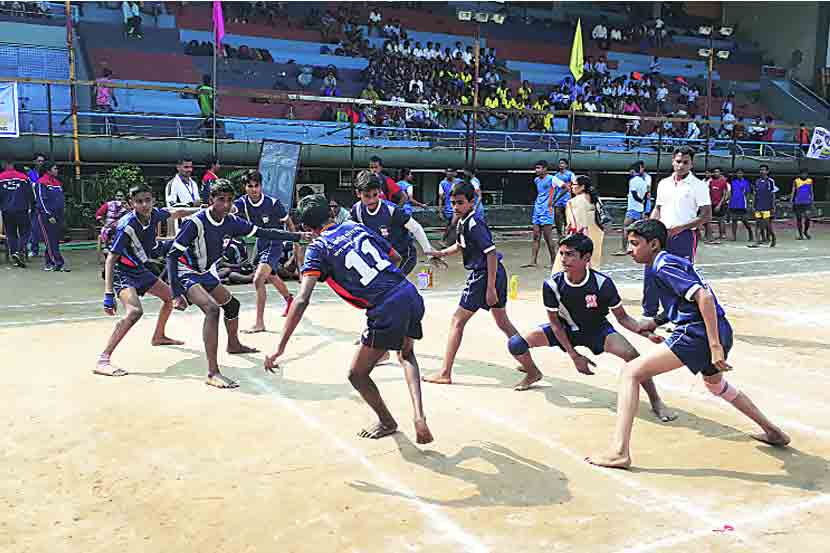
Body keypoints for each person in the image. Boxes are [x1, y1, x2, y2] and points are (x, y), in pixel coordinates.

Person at [586, 219, 790, 469]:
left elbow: (703, 298)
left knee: (631, 372)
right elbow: (686, 299)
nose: (630, 249)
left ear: (653, 244)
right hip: (717, 329)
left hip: (698, 334)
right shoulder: (665, 263)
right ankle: (773, 432)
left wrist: (714, 346)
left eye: (634, 244)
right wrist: (658, 320)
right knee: (715, 385)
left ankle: (619, 451)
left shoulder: (662, 265)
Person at [264, 194, 434, 444]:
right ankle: (419, 416)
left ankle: (387, 421)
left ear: (306, 228)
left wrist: (280, 348)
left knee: (357, 374)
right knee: (407, 354)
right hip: (408, 292)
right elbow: (396, 258)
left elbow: (301, 299)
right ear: (332, 215)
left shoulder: (318, 248)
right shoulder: (353, 225)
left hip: (384, 307)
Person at [508, 233, 675, 420]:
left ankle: (656, 401)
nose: (563, 259)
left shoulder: (603, 284)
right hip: (565, 330)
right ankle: (533, 373)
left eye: (570, 254)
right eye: (561, 254)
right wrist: (574, 356)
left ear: (586, 258)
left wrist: (645, 333)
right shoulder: (552, 285)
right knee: (516, 344)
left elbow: (622, 318)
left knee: (633, 357)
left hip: (598, 331)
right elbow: (555, 324)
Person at [166, 179, 308, 389]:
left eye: (229, 200)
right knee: (212, 310)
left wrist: (296, 236)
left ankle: (233, 344)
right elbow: (172, 255)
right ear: (210, 200)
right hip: (186, 271)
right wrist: (176, 293)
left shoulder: (231, 221)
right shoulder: (195, 223)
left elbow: (264, 232)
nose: (225, 204)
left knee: (232, 305)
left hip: (206, 272)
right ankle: (212, 372)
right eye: (220, 200)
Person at [423, 181, 521, 385]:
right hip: (491, 274)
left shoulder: (474, 223)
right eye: (453, 203)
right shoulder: (462, 221)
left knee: (457, 321)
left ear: (472, 202)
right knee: (502, 322)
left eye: (460, 203)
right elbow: (460, 245)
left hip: (484, 275)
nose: (456, 207)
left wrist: (491, 287)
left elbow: (491, 254)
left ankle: (445, 372)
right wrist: (440, 253)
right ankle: (525, 358)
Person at [96, 184, 199, 376]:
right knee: (135, 311)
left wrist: (204, 210)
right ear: (131, 204)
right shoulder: (126, 226)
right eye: (139, 201)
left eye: (147, 200)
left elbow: (177, 212)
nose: (144, 205)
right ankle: (103, 360)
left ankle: (159, 336)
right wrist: (108, 294)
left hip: (140, 270)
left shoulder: (155, 215)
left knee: (171, 297)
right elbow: (111, 259)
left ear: (153, 200)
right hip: (122, 271)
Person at [646, 146, 712, 318]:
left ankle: (676, 315)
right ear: (672, 161)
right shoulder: (663, 184)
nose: (681, 165)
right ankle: (649, 313)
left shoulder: (698, 186)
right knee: (652, 270)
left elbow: (706, 215)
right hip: (660, 235)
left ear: (691, 163)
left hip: (684, 236)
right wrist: (650, 227)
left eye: (685, 162)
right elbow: (658, 208)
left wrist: (680, 228)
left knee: (679, 276)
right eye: (678, 161)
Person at [234, 170, 295, 333]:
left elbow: (289, 223)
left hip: (275, 242)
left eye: (256, 186)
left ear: (261, 186)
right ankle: (290, 300)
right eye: (250, 186)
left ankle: (259, 323)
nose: (254, 189)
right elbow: (228, 209)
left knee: (258, 280)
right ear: (245, 187)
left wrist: (296, 250)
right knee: (271, 276)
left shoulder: (273, 203)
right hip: (261, 242)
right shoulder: (242, 202)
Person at [350, 171, 435, 276]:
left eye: (375, 195)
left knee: (393, 284)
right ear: (358, 193)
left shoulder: (392, 210)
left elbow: (416, 228)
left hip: (404, 255)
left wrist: (429, 253)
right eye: (367, 196)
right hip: (383, 256)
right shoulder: (356, 210)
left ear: (380, 191)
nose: (372, 200)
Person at [557, 175, 605, 271]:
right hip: (596, 234)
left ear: (582, 186)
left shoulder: (573, 202)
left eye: (574, 184)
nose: (571, 187)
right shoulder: (596, 199)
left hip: (581, 237)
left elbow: (575, 225)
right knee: (593, 264)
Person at [522, 160, 558, 268]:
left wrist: (554, 200)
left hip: (547, 210)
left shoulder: (552, 179)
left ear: (545, 169)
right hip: (537, 209)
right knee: (536, 236)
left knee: (548, 237)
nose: (536, 170)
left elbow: (565, 187)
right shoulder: (536, 180)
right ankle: (533, 261)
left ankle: (554, 261)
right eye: (536, 168)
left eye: (539, 168)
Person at [35, 161, 68, 272]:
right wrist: (48, 215)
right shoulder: (41, 182)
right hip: (47, 215)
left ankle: (49, 262)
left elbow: (61, 199)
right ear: (48, 170)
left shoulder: (57, 183)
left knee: (54, 240)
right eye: (55, 168)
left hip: (58, 215)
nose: (57, 170)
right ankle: (58, 262)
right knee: (50, 240)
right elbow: (41, 201)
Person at [0, 160, 34, 268]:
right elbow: (30, 194)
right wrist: (33, 207)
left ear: (6, 165)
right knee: (25, 231)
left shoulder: (1, 177)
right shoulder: (23, 177)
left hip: (6, 210)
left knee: (11, 233)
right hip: (21, 209)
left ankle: (14, 253)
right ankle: (20, 251)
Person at [614, 162, 649, 255]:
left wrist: (639, 200)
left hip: (633, 208)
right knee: (638, 231)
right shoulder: (644, 181)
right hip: (640, 209)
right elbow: (646, 195)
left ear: (633, 171)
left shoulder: (633, 181)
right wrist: (642, 203)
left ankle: (623, 249)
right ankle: (637, 248)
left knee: (626, 228)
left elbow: (634, 194)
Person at [95, 190, 129, 263]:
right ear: (115, 196)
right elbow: (98, 215)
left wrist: (128, 209)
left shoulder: (127, 205)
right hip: (109, 228)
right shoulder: (108, 204)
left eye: (121, 196)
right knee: (107, 232)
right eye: (117, 196)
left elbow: (132, 216)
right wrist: (104, 223)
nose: (119, 198)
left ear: (124, 197)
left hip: (121, 227)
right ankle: (107, 251)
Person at [750, 164, 776, 248]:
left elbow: (773, 194)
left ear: (767, 171)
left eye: (764, 170)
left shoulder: (770, 181)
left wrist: (773, 206)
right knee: (757, 224)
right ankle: (756, 241)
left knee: (767, 224)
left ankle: (773, 237)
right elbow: (755, 194)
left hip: (767, 206)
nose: (762, 171)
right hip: (758, 206)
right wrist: (753, 205)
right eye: (761, 170)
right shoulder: (757, 181)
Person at [26, 152, 46, 257]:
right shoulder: (30, 174)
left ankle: (41, 249)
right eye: (39, 161)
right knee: (33, 227)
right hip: (34, 204)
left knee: (40, 228)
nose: (41, 163)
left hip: (45, 204)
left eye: (42, 161)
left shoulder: (44, 174)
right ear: (34, 162)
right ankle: (33, 249)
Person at [727, 169, 753, 242]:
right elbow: (730, 192)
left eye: (740, 173)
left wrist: (748, 204)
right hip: (733, 203)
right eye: (738, 173)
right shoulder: (733, 182)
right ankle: (734, 236)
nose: (739, 174)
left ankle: (750, 232)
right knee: (734, 220)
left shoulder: (746, 182)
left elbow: (748, 194)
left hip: (742, 204)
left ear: (743, 174)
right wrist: (729, 203)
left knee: (744, 220)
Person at [437, 168, 461, 246]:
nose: (449, 173)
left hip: (458, 207)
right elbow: (441, 198)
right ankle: (447, 241)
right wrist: (440, 211)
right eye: (448, 171)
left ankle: (444, 240)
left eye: (451, 171)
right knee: (451, 225)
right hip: (449, 208)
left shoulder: (460, 182)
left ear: (455, 173)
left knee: (453, 224)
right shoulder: (442, 183)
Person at [705, 167, 729, 243]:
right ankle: (709, 237)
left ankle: (722, 236)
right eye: (714, 172)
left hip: (720, 204)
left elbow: (724, 194)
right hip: (711, 204)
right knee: (708, 220)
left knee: (721, 220)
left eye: (717, 172)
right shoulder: (711, 182)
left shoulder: (723, 182)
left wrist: (719, 205)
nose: (716, 173)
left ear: (720, 173)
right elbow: (709, 193)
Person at [553, 159, 575, 237]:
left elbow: (573, 185)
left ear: (566, 165)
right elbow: (554, 188)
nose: (560, 165)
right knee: (557, 217)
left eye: (562, 163)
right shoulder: (556, 176)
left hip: (567, 200)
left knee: (567, 218)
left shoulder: (570, 174)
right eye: (559, 163)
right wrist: (553, 199)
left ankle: (568, 234)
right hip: (558, 200)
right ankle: (560, 234)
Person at [791, 168, 814, 240]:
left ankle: (805, 232)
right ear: (800, 174)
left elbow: (811, 191)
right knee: (799, 219)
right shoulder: (796, 181)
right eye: (802, 173)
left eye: (805, 173)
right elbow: (793, 191)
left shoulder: (810, 181)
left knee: (808, 218)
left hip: (807, 202)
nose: (804, 175)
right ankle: (800, 234)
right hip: (798, 202)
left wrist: (812, 200)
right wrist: (791, 200)